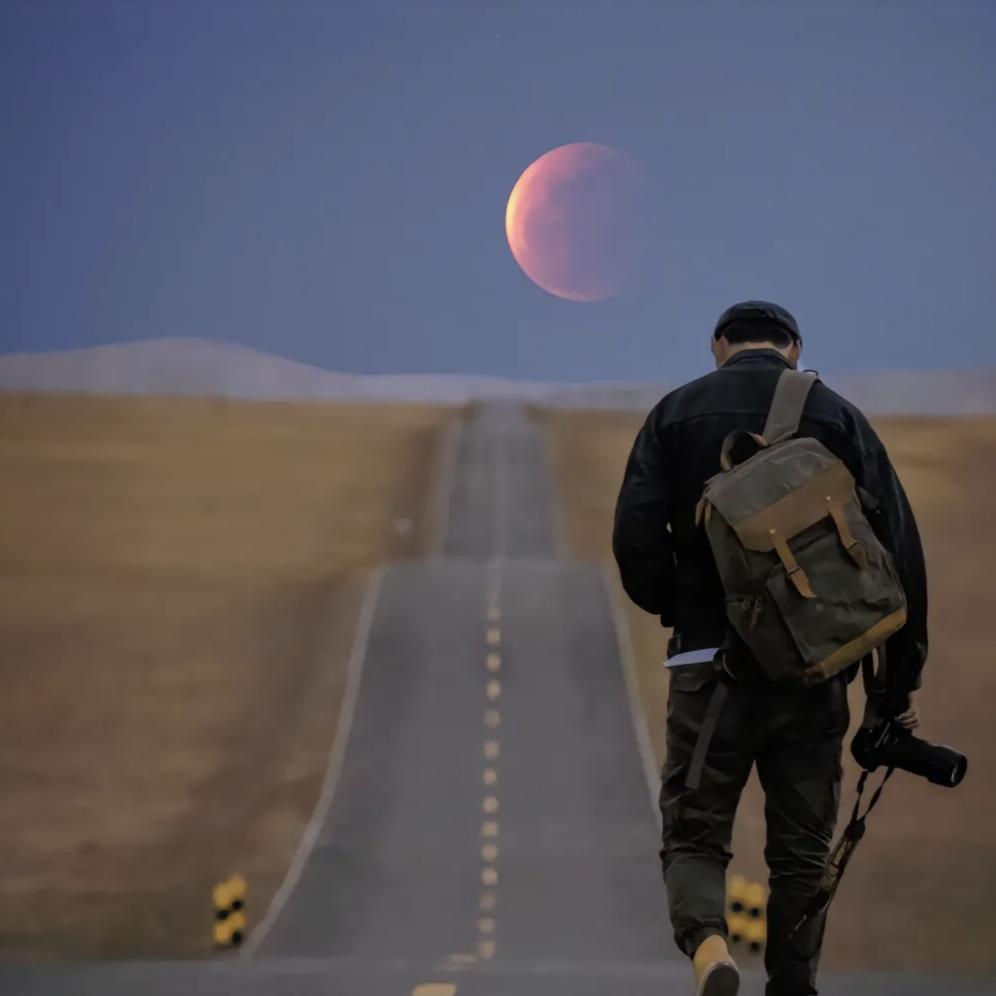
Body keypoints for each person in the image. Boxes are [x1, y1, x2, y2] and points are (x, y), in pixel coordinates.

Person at [612, 301, 928, 996]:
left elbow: (634, 543)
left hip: (707, 666)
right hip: (814, 668)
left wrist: (685, 608)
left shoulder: (673, 414)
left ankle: (710, 949)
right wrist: (895, 685)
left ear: (719, 345)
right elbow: (898, 553)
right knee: (801, 851)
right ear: (794, 348)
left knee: (695, 834)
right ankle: (793, 984)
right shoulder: (838, 417)